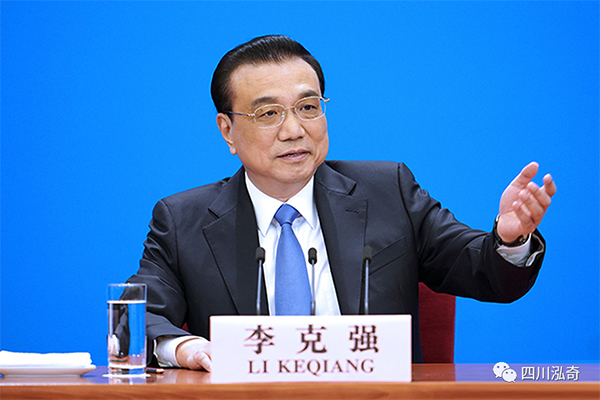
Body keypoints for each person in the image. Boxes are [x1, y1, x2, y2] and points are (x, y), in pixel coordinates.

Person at [127, 35, 556, 371]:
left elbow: (484, 273)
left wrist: (509, 239)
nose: (294, 130)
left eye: (308, 107)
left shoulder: (388, 192)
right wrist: (184, 348)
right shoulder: (183, 221)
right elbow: (137, 316)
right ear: (227, 130)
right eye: (269, 114)